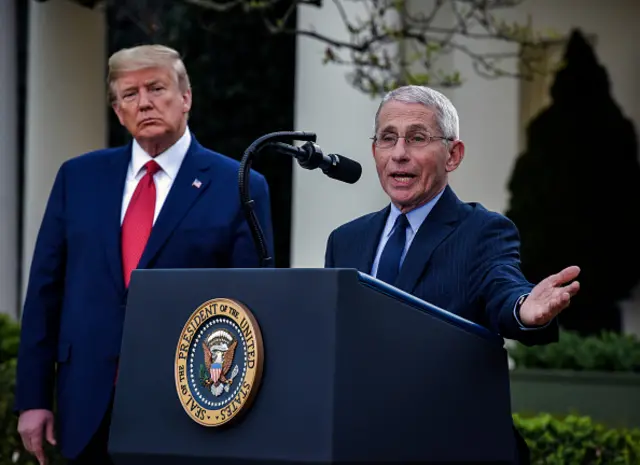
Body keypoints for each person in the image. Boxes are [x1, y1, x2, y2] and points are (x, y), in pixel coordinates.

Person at [14, 44, 274, 465]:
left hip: (188, 408)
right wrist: (33, 398)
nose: (145, 102)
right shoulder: (77, 178)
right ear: (118, 111)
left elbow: (252, 309)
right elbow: (45, 292)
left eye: (156, 88)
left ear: (186, 97)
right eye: (130, 94)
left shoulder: (239, 185)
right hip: (85, 404)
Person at [323, 85, 580, 464]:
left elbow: (502, 285)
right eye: (387, 138)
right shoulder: (345, 240)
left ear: (453, 154)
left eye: (417, 138)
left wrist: (523, 309)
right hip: (364, 445)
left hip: (453, 445)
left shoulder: (482, 231)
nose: (399, 154)